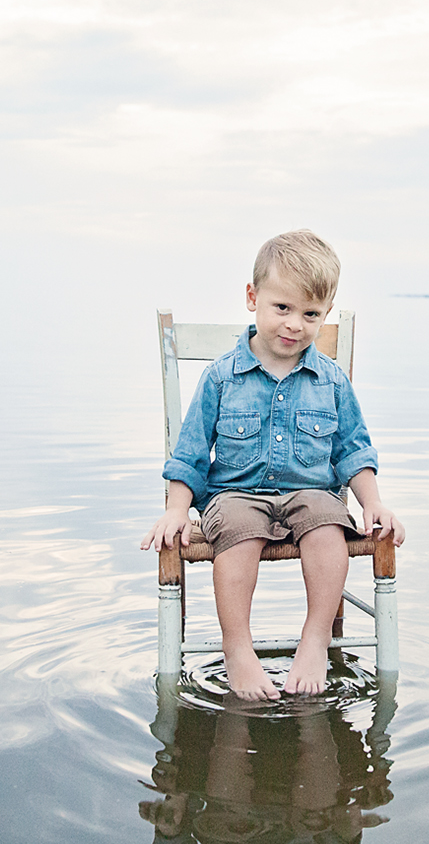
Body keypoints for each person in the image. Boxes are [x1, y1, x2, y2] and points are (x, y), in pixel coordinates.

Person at [141, 230, 405, 700]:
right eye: (282, 308)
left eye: (311, 314)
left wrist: (374, 504)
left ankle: (316, 637)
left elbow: (352, 451)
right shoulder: (221, 376)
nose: (295, 325)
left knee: (329, 529)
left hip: (311, 496)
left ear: (324, 315)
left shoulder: (332, 380)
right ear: (252, 298)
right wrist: (178, 509)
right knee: (240, 535)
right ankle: (237, 649)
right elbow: (190, 455)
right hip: (236, 497)